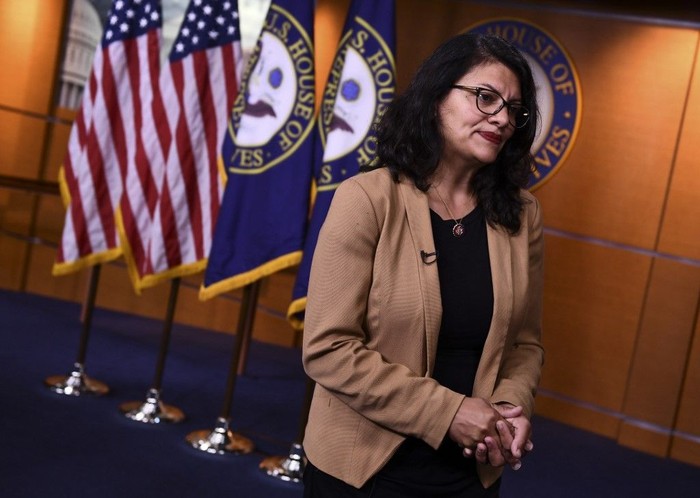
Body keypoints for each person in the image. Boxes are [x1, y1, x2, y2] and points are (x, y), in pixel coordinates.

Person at [301, 32, 545, 497]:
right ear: (436, 98)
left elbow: (526, 344)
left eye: (514, 109)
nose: (502, 118)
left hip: (470, 472)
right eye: (485, 97)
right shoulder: (367, 199)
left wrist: (510, 409)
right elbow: (327, 348)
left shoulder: (522, 214)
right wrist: (448, 413)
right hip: (363, 470)